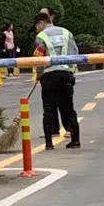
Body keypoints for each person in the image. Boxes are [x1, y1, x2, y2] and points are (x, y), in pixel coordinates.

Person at [32, 9, 80, 149]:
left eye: (36, 25)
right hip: (66, 75)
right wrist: (71, 72)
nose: (36, 28)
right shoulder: (66, 32)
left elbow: (39, 58)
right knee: (69, 108)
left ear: (42, 23)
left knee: (49, 109)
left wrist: (38, 74)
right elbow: (75, 52)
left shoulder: (41, 36)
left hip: (49, 76)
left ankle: (49, 143)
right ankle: (75, 140)